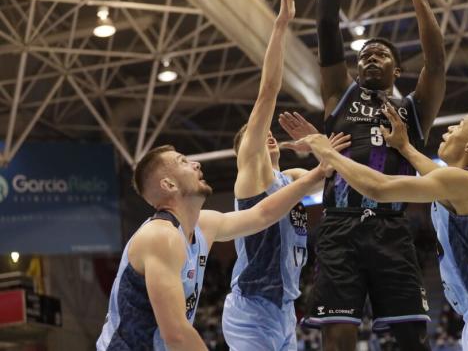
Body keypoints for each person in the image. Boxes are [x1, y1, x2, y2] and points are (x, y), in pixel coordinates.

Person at [289, 101, 468, 351]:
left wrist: (328, 152)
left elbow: (379, 188)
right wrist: (405, 147)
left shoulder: (462, 181)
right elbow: (433, 174)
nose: (449, 129)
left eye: (459, 126)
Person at [300, 0, 446, 350]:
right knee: (339, 339)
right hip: (339, 226)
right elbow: (327, 27)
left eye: (380, 53)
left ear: (398, 69)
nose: (369, 56)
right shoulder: (338, 96)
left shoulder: (414, 109)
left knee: (412, 340)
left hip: (391, 229)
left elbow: (436, 62)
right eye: (364, 53)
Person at [221, 0, 350, 350]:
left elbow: (339, 176)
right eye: (254, 134)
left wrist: (318, 143)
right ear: (245, 150)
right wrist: (281, 26)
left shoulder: (292, 174)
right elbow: (267, 95)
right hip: (251, 309)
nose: (264, 135)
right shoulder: (252, 174)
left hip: (284, 310)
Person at [96, 145, 328, 351]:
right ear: (168, 184)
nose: (196, 163)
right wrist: (266, 95)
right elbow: (176, 334)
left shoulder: (203, 225)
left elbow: (262, 215)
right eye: (183, 162)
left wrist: (314, 176)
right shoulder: (160, 236)